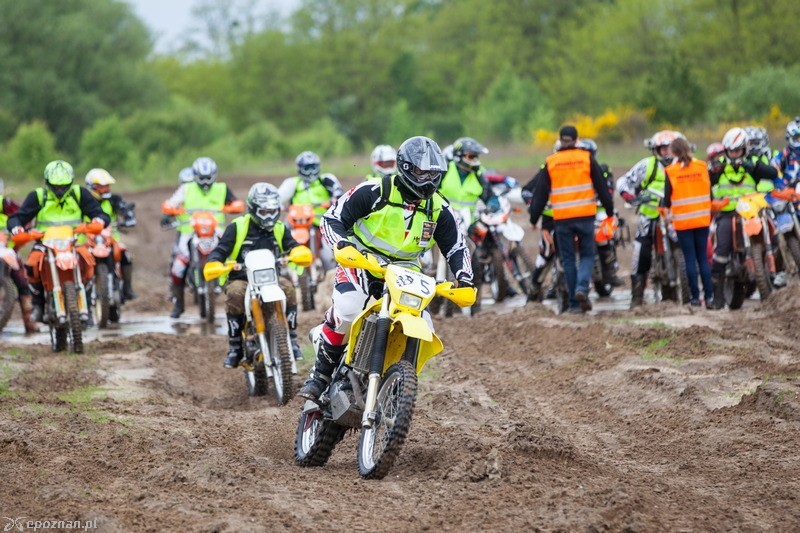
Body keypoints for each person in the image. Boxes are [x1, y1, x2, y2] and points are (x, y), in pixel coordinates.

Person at [299, 136, 473, 401]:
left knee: (424, 324)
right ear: (404, 168)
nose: (428, 180)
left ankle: (396, 387)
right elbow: (333, 218)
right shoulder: (374, 190)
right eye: (421, 172)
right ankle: (320, 375)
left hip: (406, 271)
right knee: (348, 310)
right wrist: (343, 245)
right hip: (362, 260)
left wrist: (464, 278)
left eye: (434, 174)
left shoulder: (439, 208)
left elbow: (457, 247)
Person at [206, 183, 306, 367]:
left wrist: (299, 251)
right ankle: (235, 347)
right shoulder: (238, 227)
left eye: (272, 211)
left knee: (289, 289)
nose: (269, 216)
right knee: (235, 294)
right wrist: (215, 261)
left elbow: (292, 245)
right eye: (264, 211)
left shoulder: (280, 228)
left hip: (272, 279)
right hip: (242, 278)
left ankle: (291, 339)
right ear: (253, 209)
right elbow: (220, 250)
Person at [7, 161, 110, 323]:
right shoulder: (39, 196)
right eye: (56, 186)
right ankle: (38, 305)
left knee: (89, 263)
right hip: (45, 244)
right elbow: (18, 217)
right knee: (32, 265)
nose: (60, 190)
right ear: (48, 183)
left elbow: (100, 213)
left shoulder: (79, 194)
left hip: (74, 243)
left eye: (64, 186)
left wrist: (99, 220)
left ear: (71, 182)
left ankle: (87, 304)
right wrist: (16, 228)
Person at [528, 125, 616, 314]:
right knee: (586, 255)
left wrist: (534, 218)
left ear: (560, 140)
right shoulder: (586, 158)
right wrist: (610, 211)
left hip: (562, 219)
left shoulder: (551, 162)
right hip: (585, 216)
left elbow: (540, 195)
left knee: (567, 260)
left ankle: (574, 305)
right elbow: (602, 188)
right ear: (577, 141)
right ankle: (582, 288)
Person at [709, 127, 778, 309]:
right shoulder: (719, 165)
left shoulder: (753, 161)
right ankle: (717, 298)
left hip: (751, 212)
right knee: (721, 250)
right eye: (731, 151)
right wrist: (714, 171)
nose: (734, 154)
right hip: (728, 213)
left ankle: (773, 270)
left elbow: (772, 174)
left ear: (745, 149)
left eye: (737, 150)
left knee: (773, 228)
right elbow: (706, 180)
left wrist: (755, 168)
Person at [162, 157, 240, 318]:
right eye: (202, 178)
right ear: (195, 175)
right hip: (190, 231)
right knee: (178, 265)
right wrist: (170, 209)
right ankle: (179, 304)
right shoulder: (186, 188)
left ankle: (238, 293)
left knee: (233, 255)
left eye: (208, 177)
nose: (205, 181)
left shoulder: (222, 188)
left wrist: (233, 207)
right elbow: (172, 203)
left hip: (216, 229)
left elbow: (236, 202)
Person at [616, 130, 683, 308]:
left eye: (671, 148)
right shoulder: (648, 165)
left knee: (687, 248)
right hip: (650, 214)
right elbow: (624, 181)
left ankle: (681, 292)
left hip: (675, 216)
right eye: (663, 148)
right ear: (656, 150)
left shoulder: (683, 165)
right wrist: (629, 196)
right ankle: (637, 298)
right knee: (641, 251)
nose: (667, 152)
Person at [663, 137, 713, 307]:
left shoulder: (671, 171)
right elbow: (710, 192)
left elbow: (666, 200)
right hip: (702, 219)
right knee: (703, 260)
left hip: (683, 222)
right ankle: (710, 297)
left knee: (690, 260)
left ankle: (695, 298)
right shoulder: (702, 166)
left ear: (673, 152)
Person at [278, 151, 342, 271]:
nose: (311, 172)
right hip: (297, 223)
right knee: (281, 235)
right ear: (300, 169)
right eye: (307, 168)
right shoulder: (293, 183)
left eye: (313, 167)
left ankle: (335, 271)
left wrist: (334, 200)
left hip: (322, 222)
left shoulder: (326, 180)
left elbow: (338, 192)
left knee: (332, 250)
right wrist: (278, 205)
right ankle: (282, 265)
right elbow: (278, 196)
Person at [84, 168, 137, 300]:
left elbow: (123, 208)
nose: (106, 189)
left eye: (107, 186)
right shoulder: (84, 201)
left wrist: (128, 217)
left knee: (126, 255)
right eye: (102, 186)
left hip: (111, 238)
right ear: (92, 187)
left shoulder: (113, 199)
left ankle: (127, 288)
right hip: (88, 239)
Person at [0, 178, 39, 332]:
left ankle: (28, 320)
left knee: (22, 280)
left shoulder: (7, 205)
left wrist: (22, 229)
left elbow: (23, 217)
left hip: (7, 250)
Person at [772, 117, 800, 188]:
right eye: (797, 138)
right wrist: (782, 185)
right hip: (788, 192)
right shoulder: (784, 154)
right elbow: (774, 168)